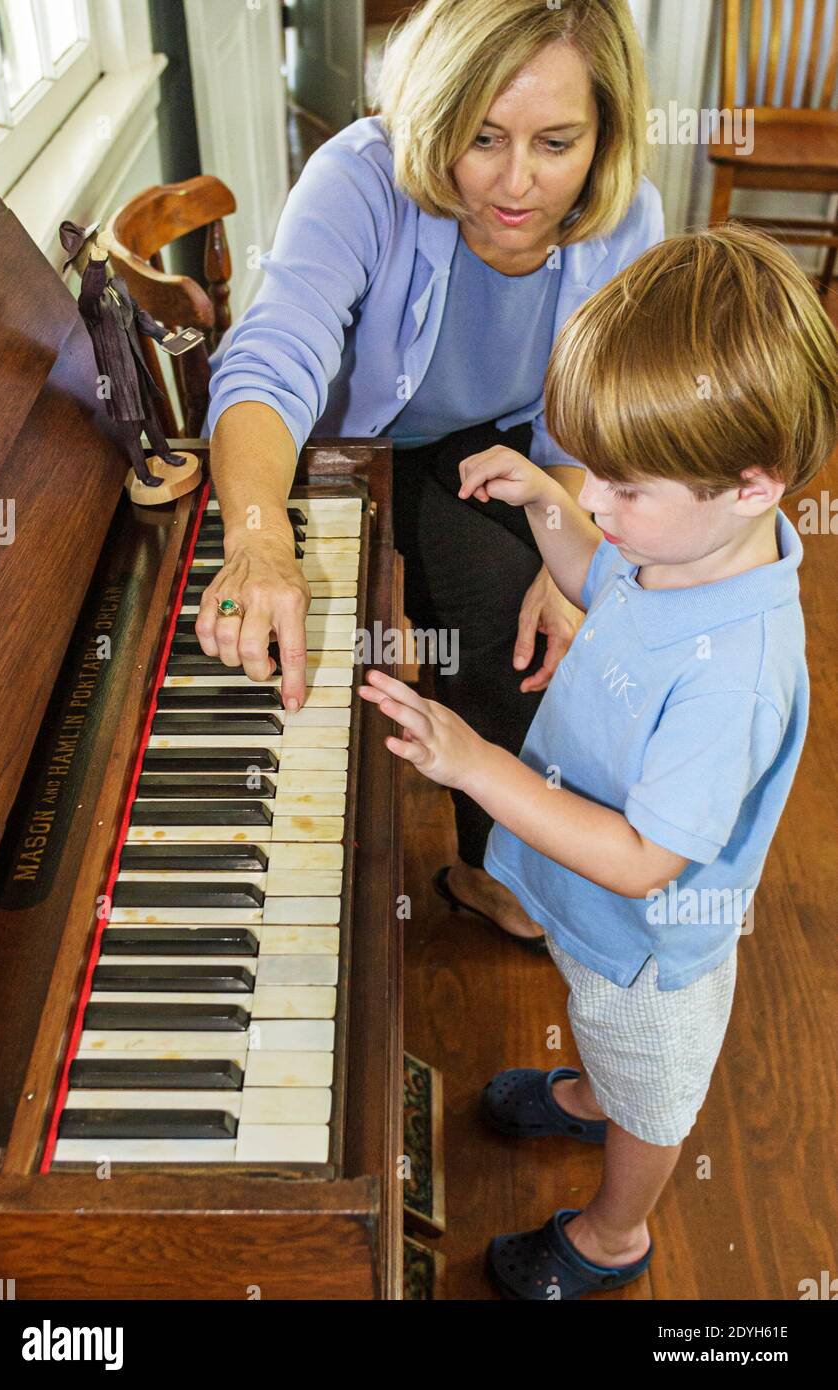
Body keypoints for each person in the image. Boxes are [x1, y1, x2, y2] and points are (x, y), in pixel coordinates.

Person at [357, 222, 838, 1298]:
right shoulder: (673, 548)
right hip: (591, 927)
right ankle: (587, 1093)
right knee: (592, 1023)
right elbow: (598, 584)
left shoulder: (733, 674)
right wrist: (550, 509)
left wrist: (481, 766)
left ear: (753, 485)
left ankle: (615, 1233)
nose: (600, 508)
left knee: (651, 1093)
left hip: (647, 949)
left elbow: (638, 860)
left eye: (624, 487)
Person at [199, 0, 664, 947]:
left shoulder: (629, 217)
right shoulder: (360, 177)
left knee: (533, 623)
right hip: (344, 450)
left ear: (605, 135)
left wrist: (568, 549)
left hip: (496, 447)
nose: (516, 182)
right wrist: (256, 538)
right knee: (352, 618)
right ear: (438, 111)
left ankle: (499, 868)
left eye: (557, 142)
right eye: (483, 136)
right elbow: (271, 356)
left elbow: (594, 409)